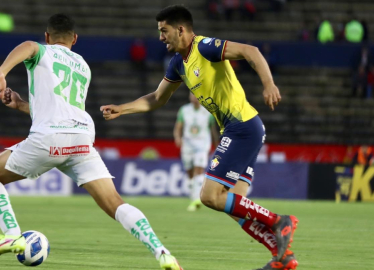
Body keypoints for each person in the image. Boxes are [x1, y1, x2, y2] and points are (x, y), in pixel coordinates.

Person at [0, 14, 183, 270]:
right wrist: (20, 104)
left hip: (49, 138)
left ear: (46, 37)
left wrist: (1, 72)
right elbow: (60, 109)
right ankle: (162, 253)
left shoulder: (41, 50)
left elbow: (28, 47)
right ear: (75, 39)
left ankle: (11, 235)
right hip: (81, 138)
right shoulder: (83, 65)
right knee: (116, 203)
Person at [101, 5, 298, 270]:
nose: (161, 37)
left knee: (209, 196)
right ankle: (282, 255)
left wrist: (268, 84)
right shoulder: (177, 64)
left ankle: (278, 221)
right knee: (234, 205)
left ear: (180, 30)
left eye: (164, 31)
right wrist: (122, 109)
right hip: (247, 128)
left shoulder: (205, 47)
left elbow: (251, 52)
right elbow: (157, 98)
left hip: (242, 126)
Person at [174, 93, 218, 211]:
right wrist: (177, 137)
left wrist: (216, 144)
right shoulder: (184, 110)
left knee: (198, 170)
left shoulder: (208, 111)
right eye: (192, 96)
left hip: (202, 145)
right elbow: (178, 127)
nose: (194, 98)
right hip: (187, 145)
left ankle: (196, 199)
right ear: (189, 97)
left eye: (197, 96)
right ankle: (193, 196)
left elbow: (213, 130)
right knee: (189, 174)